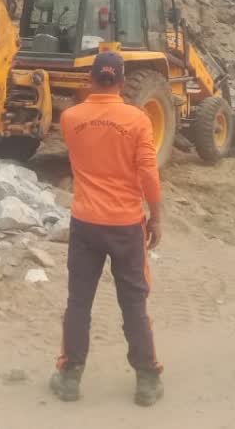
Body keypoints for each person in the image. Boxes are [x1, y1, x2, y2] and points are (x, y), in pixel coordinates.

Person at [49, 51, 165, 407]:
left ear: (90, 79)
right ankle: (146, 379)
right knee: (133, 301)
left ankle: (70, 377)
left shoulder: (71, 118)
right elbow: (147, 172)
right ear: (122, 80)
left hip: (85, 223)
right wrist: (156, 216)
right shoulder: (138, 120)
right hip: (126, 225)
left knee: (79, 301)